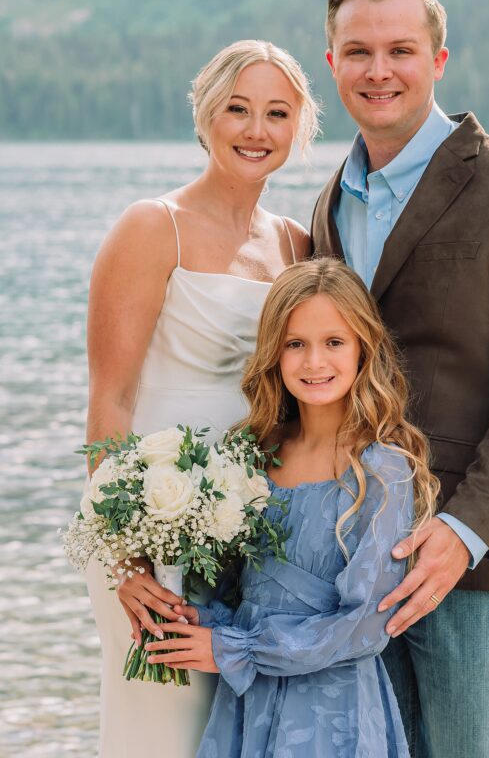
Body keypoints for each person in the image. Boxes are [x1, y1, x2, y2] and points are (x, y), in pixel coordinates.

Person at [311, 0, 489, 757]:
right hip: (353, 552)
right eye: (357, 51)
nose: (379, 70)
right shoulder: (330, 200)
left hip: (475, 555)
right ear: (331, 63)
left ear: (438, 60)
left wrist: (464, 529)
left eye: (401, 49)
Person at [84, 40, 318, 758]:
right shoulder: (152, 228)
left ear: (299, 128)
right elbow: (110, 403)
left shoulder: (298, 246)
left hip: (251, 527)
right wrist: (126, 558)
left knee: (242, 729)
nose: (256, 130)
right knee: (161, 725)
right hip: (151, 520)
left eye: (277, 113)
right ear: (205, 115)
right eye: (237, 109)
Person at [144, 258, 440, 758]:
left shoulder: (383, 471)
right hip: (248, 701)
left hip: (333, 711)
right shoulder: (253, 459)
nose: (313, 362)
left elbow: (367, 625)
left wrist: (237, 651)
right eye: (294, 344)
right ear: (274, 354)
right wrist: (194, 618)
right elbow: (239, 591)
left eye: (334, 342)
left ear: (364, 348)